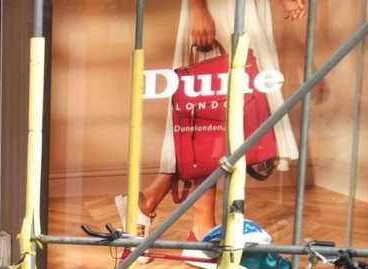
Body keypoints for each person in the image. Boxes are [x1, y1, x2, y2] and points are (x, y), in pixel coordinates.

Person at [120, 0, 306, 241]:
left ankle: (151, 204)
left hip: (237, 9)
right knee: (210, 115)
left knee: (219, 115)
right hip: (220, 10)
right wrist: (199, 8)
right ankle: (200, 228)